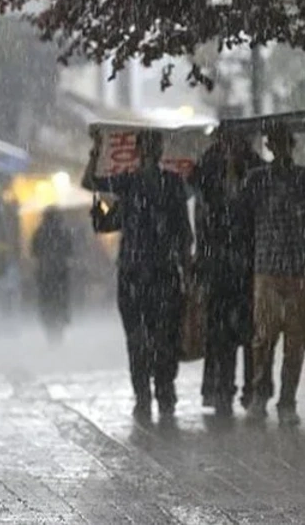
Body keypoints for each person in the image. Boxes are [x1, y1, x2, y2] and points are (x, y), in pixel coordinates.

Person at [83, 129, 193, 422]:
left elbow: (183, 232)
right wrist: (96, 150)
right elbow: (91, 183)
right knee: (138, 339)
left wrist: (187, 267)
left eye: (153, 146)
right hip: (135, 274)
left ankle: (163, 391)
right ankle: (145, 394)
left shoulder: (170, 184)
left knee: (163, 338)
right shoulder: (129, 184)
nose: (150, 152)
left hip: (162, 272)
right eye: (147, 146)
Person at [244, 119, 305, 426]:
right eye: (273, 142)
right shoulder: (257, 179)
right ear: (269, 146)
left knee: (295, 342)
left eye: (283, 142)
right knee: (264, 337)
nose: (279, 148)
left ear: (291, 145)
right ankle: (260, 395)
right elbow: (236, 202)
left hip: (298, 270)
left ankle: (287, 400)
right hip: (268, 270)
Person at [190, 130, 267, 417]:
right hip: (219, 264)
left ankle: (251, 389)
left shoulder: (255, 167)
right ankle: (221, 389)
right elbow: (200, 206)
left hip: (247, 264)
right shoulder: (209, 166)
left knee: (248, 332)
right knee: (220, 332)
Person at [31, 207, 74, 343]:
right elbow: (70, 250)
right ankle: (59, 327)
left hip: (45, 273)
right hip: (60, 272)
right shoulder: (64, 231)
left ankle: (50, 329)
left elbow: (34, 251)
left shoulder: (39, 232)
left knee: (47, 301)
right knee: (61, 301)